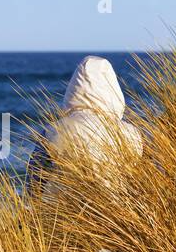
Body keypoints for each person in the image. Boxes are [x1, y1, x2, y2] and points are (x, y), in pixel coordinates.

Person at [28, 56, 142, 192]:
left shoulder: (53, 129)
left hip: (62, 208)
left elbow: (35, 178)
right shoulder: (132, 133)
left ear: (74, 88)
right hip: (115, 207)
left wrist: (31, 207)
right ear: (113, 89)